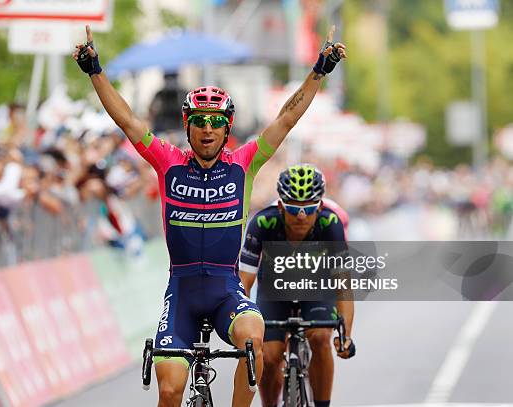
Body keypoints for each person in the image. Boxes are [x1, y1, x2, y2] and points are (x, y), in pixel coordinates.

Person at [73, 25, 346, 407]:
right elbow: (129, 121)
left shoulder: (244, 164)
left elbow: (286, 118)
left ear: (227, 128)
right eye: (199, 120)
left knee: (254, 335)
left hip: (225, 291)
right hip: (182, 293)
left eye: (216, 122)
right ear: (187, 125)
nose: (207, 129)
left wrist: (320, 68)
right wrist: (95, 71)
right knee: (169, 387)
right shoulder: (167, 162)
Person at [239, 164, 355, 407]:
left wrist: (345, 336)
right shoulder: (262, 223)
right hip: (274, 291)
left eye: (309, 208)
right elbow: (243, 283)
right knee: (269, 356)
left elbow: (343, 284)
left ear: (320, 207)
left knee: (322, 337)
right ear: (280, 206)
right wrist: (242, 325)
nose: (301, 216)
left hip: (316, 286)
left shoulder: (330, 224)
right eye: (293, 208)